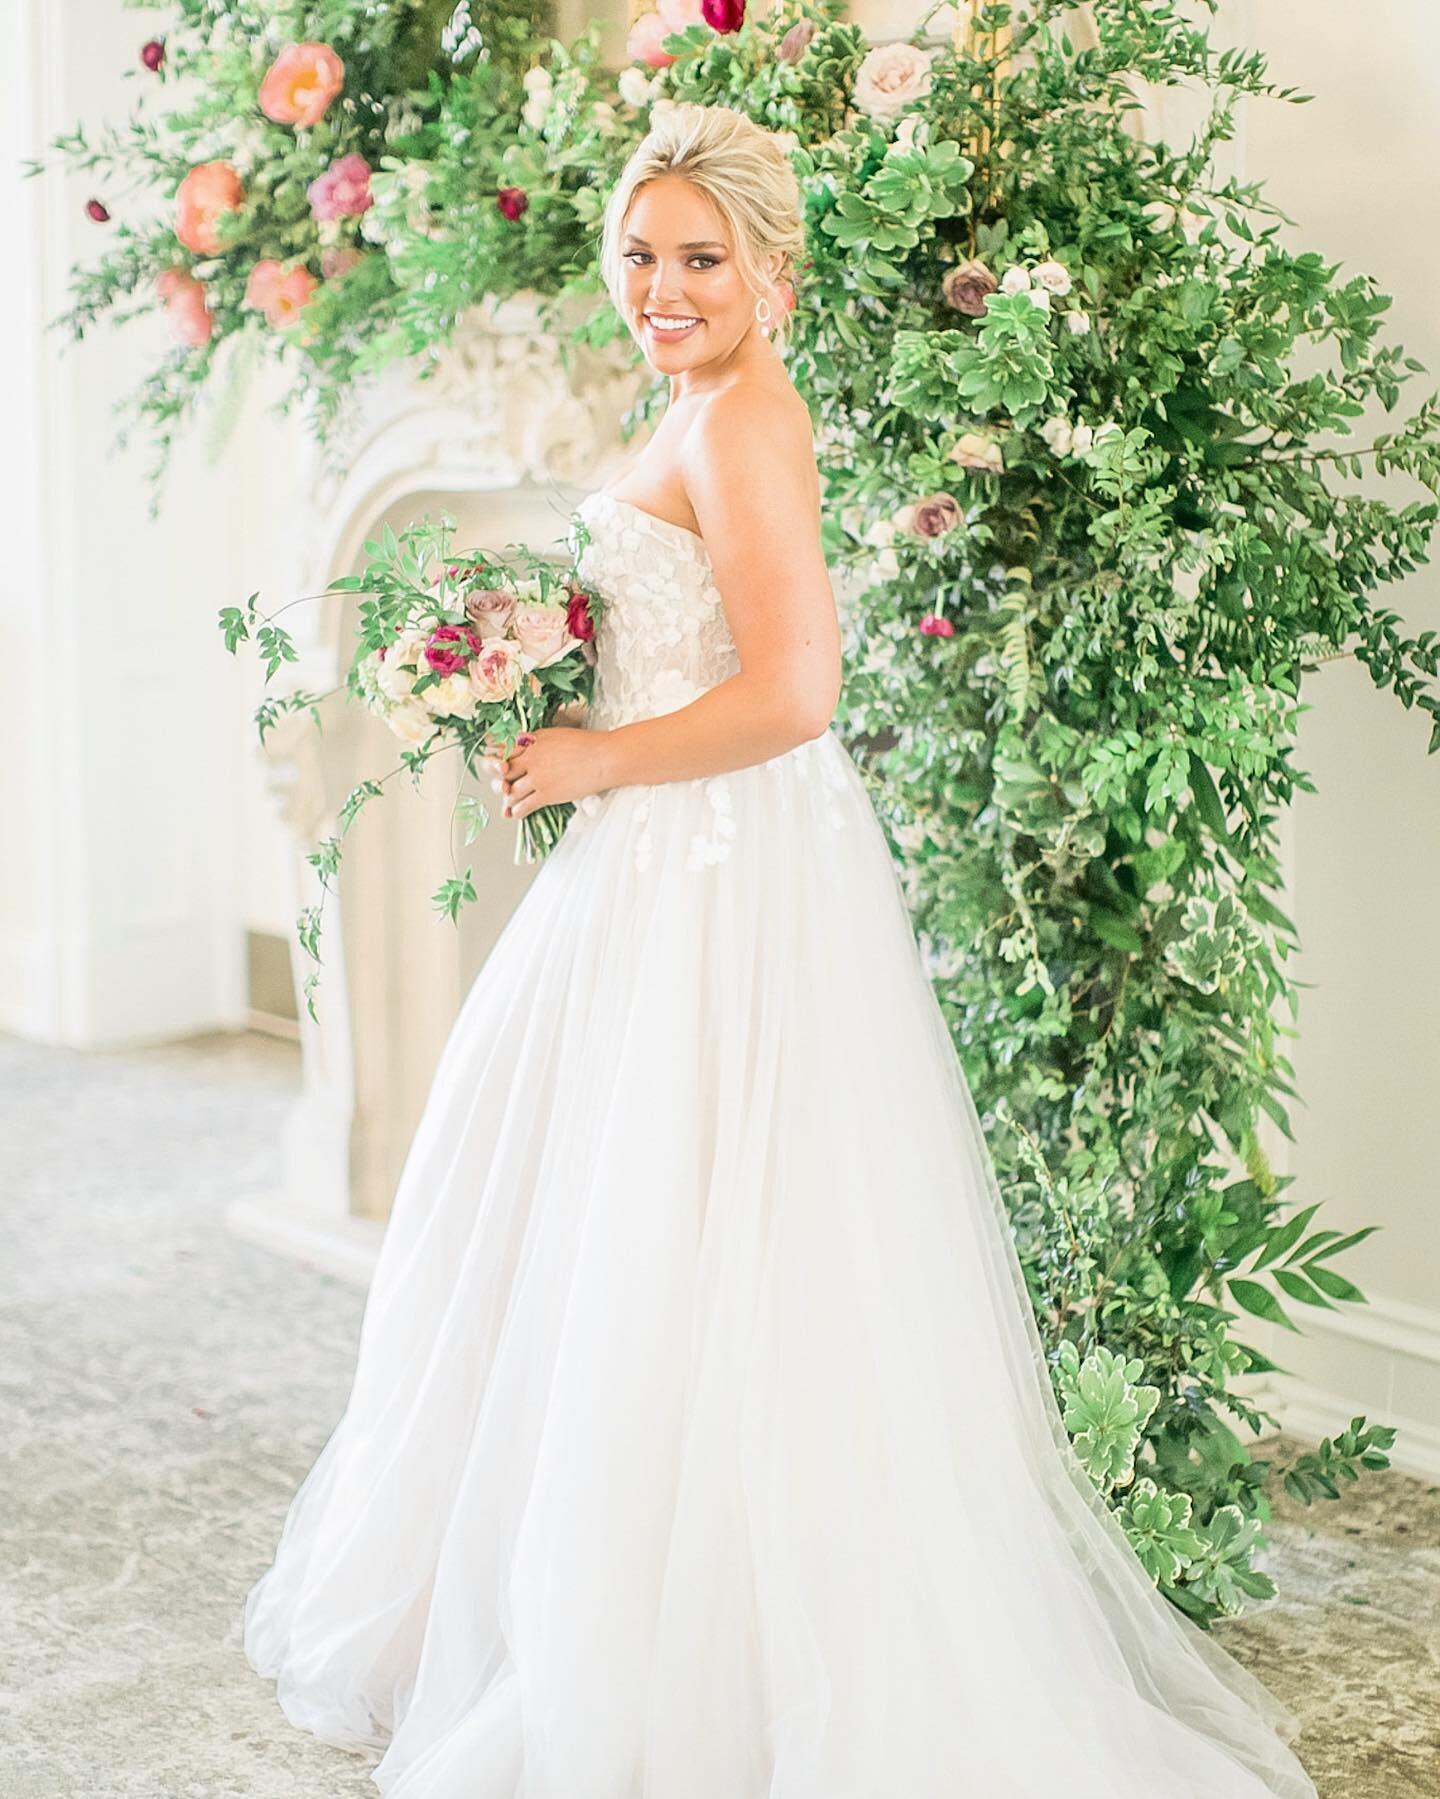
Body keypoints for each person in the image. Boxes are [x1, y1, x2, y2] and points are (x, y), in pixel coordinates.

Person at [244, 101, 1318, 1799]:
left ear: (765, 271)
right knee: (595, 1237)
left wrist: (594, 753)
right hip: (660, 862)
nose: (661, 286)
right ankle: (566, 1609)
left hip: (715, 876)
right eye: (641, 253)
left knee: (692, 1241)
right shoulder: (693, 402)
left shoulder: (748, 419)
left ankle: (699, 1664)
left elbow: (797, 691)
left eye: (698, 258)